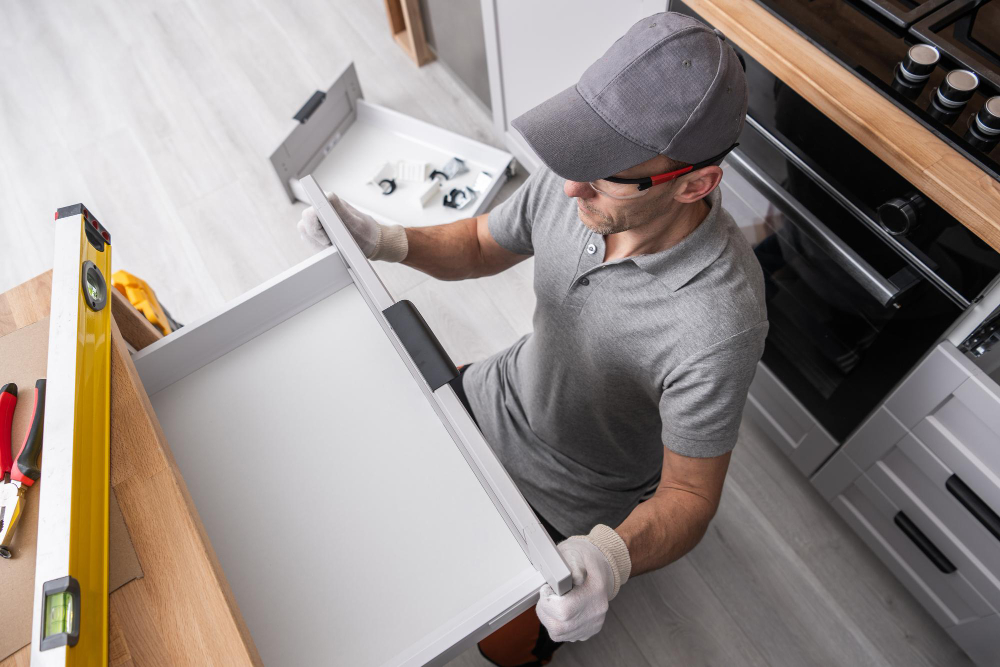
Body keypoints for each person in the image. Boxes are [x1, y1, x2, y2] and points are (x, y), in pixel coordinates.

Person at [298, 12, 767, 666]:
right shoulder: (581, 174)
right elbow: (479, 243)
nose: (570, 184)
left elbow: (689, 496)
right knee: (360, 499)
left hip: (572, 496)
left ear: (694, 184)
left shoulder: (718, 321)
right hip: (495, 395)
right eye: (579, 156)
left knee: (496, 644)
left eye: (604, 176)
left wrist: (609, 558)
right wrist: (385, 238)